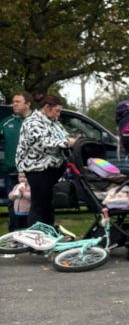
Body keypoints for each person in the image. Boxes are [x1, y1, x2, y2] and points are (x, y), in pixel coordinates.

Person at [16, 94, 77, 228]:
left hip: (53, 169)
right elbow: (42, 143)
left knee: (48, 204)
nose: (58, 114)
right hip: (38, 169)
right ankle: (35, 235)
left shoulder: (54, 122)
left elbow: (65, 136)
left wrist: (73, 141)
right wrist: (67, 143)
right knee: (39, 204)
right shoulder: (33, 122)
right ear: (47, 107)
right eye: (57, 111)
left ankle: (48, 233)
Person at [1, 91, 33, 230]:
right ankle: (14, 233)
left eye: (18, 102)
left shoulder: (37, 121)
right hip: (12, 171)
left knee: (33, 203)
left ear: (28, 104)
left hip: (33, 172)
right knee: (12, 203)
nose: (14, 104)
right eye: (13, 101)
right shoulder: (7, 122)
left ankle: (32, 232)